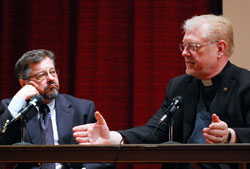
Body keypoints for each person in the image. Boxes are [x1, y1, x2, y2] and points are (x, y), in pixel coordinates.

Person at [73, 14, 250, 169]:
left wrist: (230, 136)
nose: (184, 53)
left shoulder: (246, 84)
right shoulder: (180, 86)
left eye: (193, 47)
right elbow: (156, 131)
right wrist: (114, 137)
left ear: (220, 49)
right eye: (183, 46)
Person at [0, 49, 113, 169]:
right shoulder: (14, 107)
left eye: (53, 72)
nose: (51, 78)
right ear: (24, 84)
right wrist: (19, 99)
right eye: (42, 75)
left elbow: (102, 155)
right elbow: (2, 142)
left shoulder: (82, 109)